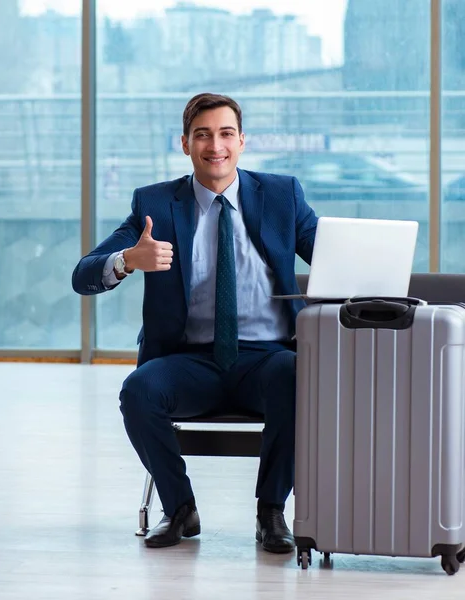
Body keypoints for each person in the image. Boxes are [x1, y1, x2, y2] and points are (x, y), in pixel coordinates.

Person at [72, 93, 318, 553]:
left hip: (267, 359)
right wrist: (128, 259)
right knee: (139, 390)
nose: (215, 145)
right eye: (202, 135)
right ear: (185, 144)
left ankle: (271, 512)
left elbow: (331, 257)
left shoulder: (282, 196)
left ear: (242, 142)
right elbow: (84, 275)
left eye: (226, 133)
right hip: (190, 361)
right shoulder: (157, 205)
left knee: (297, 376)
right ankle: (180, 508)